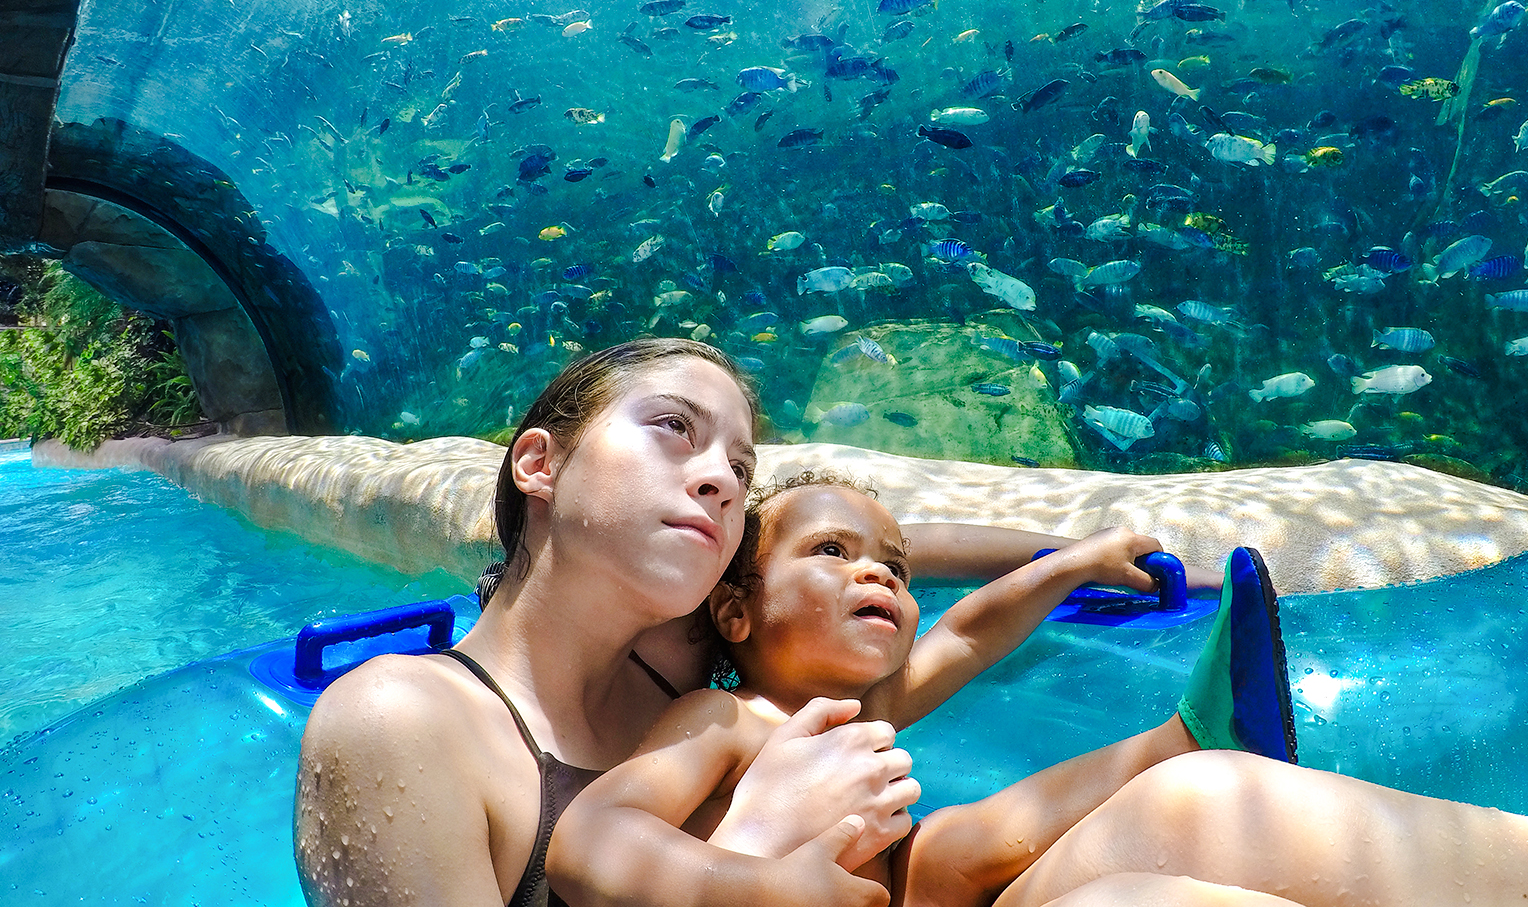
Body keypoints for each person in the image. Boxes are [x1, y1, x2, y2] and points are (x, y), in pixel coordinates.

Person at [293, 338, 1201, 907]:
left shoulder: (683, 656)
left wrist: (1071, 551)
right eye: (673, 429)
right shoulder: (404, 722)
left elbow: (872, 546)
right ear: (539, 463)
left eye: (738, 463)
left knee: (1197, 831)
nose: (722, 477)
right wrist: (757, 839)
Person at [545, 472, 1292, 907]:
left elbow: (968, 633)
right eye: (831, 552)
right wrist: (756, 887)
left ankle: (1192, 734)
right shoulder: (723, 719)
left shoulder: (871, 710)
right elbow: (588, 838)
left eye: (895, 569)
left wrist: (1073, 563)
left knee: (946, 843)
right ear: (737, 612)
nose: (877, 573)